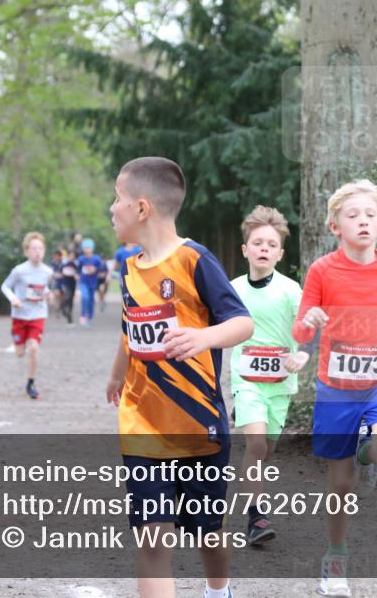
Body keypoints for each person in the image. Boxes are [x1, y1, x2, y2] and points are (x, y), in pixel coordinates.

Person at [105, 156, 253, 598]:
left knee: (208, 532)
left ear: (143, 208)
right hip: (142, 424)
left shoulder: (195, 260)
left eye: (118, 198)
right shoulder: (130, 270)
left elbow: (241, 323)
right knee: (153, 536)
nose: (111, 208)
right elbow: (130, 328)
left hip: (197, 425)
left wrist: (204, 337)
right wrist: (117, 375)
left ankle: (218, 589)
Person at [292, 179, 377, 598]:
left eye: (370, 215)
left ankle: (370, 448)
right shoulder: (322, 270)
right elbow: (300, 328)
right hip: (336, 388)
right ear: (335, 226)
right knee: (340, 484)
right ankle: (335, 557)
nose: (362, 222)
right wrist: (308, 325)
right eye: (353, 216)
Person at [229, 206, 311, 545]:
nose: (264, 248)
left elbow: (307, 328)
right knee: (257, 444)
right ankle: (256, 518)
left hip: (279, 385)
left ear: (279, 253)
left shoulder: (292, 290)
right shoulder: (231, 289)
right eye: (257, 242)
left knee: (266, 452)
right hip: (246, 382)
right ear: (245, 249)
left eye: (271, 244)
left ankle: (254, 500)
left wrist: (302, 353)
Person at [1, 232, 55, 399]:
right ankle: (19, 343)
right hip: (19, 315)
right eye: (33, 248)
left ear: (44, 251)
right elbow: (5, 286)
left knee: (34, 348)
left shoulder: (47, 271)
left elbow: (42, 287)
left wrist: (48, 294)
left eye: (40, 248)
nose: (37, 252)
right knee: (20, 353)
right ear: (26, 251)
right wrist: (14, 299)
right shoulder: (19, 270)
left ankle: (31, 383)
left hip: (38, 314)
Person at [76, 238, 105, 326]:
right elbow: (78, 269)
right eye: (85, 248)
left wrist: (95, 269)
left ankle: (90, 317)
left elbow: (101, 268)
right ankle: (83, 315)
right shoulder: (81, 259)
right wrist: (77, 275)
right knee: (85, 297)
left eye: (88, 248)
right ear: (83, 249)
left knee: (91, 300)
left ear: (92, 249)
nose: (87, 249)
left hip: (93, 282)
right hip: (83, 282)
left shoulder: (96, 259)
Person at [54, 249, 78, 323]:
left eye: (73, 256)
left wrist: (76, 275)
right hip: (65, 283)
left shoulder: (76, 264)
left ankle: (69, 315)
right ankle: (61, 307)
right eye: (70, 256)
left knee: (71, 300)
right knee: (68, 296)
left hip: (73, 284)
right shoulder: (64, 264)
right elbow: (59, 274)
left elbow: (79, 273)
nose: (71, 257)